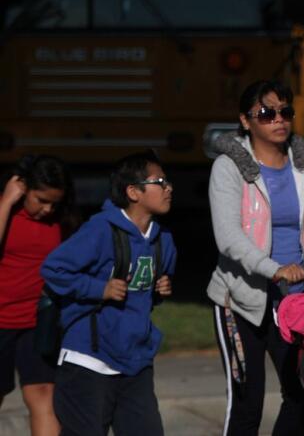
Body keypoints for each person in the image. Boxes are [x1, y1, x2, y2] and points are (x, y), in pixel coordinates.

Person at [207, 80, 304, 436]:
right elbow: (228, 237)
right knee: (248, 403)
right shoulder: (229, 168)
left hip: (295, 300)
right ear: (246, 121)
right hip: (240, 300)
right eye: (266, 113)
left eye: (285, 112)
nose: (278, 119)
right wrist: (273, 269)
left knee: (302, 397)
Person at [41, 151, 177, 436]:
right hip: (89, 359)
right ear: (133, 192)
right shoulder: (100, 230)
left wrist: (160, 290)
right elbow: (54, 269)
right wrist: (98, 288)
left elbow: (146, 290)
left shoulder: (163, 240)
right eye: (159, 182)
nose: (169, 188)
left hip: (135, 360)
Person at [0, 155, 77, 436]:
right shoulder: (5, 210)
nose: (47, 209)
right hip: (1, 320)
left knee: (43, 392)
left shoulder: (60, 220)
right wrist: (7, 202)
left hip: (37, 321)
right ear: (23, 188)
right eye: (41, 200)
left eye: (54, 202)